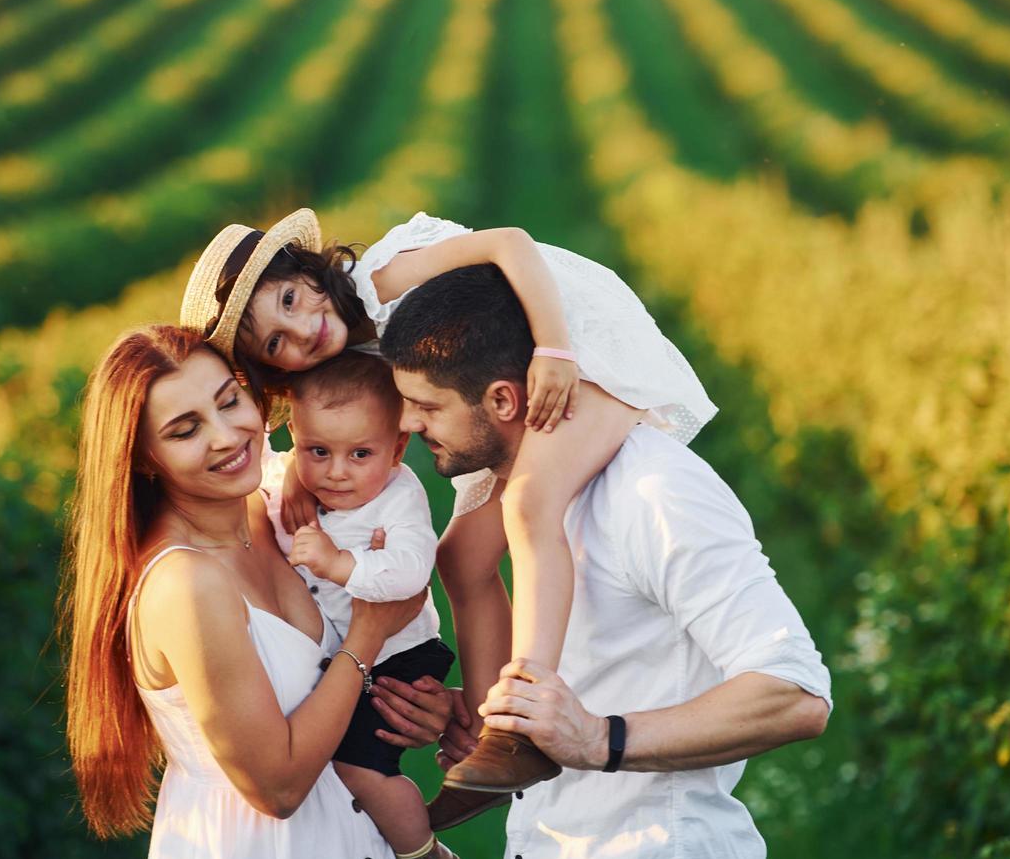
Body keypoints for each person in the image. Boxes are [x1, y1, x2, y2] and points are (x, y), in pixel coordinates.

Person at [179, 208, 718, 809]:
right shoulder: (340, 356)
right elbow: (324, 424)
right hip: (500, 385)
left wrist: (554, 348)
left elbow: (511, 243)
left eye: (288, 300)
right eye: (275, 341)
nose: (301, 330)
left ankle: (524, 721)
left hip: (578, 348)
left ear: (307, 271)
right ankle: (489, 737)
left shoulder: (380, 281)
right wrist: (301, 476)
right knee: (460, 557)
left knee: (532, 504)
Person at [380, 266, 834, 859]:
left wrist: (600, 738)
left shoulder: (654, 490)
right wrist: (480, 714)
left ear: (503, 399)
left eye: (426, 406)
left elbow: (796, 692)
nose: (408, 426)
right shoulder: (515, 505)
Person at [58, 324, 452, 859]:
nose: (226, 436)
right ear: (139, 457)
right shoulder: (187, 583)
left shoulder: (266, 510)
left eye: (228, 401)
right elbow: (278, 786)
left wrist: (420, 707)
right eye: (185, 430)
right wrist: (368, 640)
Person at [260, 350, 461, 859]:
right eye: (317, 451)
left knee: (356, 763)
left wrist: (341, 563)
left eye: (360, 454)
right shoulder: (296, 478)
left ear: (398, 450)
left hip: (402, 647)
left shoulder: (398, 496)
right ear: (293, 436)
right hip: (358, 650)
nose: (337, 472)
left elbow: (409, 571)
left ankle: (423, 856)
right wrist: (291, 475)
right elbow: (268, 469)